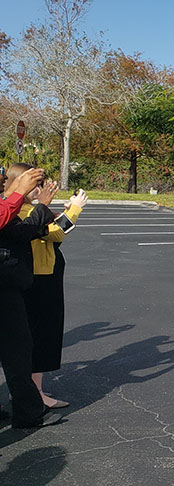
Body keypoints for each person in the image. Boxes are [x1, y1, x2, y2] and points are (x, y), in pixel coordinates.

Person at [6, 162, 89, 409]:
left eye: (40, 184)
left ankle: (32, 391)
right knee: (37, 338)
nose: (39, 189)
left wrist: (65, 213)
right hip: (35, 279)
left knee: (42, 336)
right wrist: (74, 210)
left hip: (46, 275)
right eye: (34, 184)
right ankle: (33, 393)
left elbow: (55, 230)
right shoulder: (18, 211)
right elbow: (51, 233)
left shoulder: (29, 209)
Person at [0, 166, 62, 428]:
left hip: (24, 279)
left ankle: (30, 407)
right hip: (16, 282)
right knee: (20, 349)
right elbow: (26, 231)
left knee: (20, 347)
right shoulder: (15, 207)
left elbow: (56, 235)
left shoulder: (14, 206)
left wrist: (53, 216)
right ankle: (29, 410)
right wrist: (45, 209)